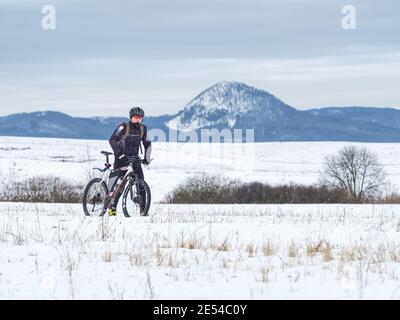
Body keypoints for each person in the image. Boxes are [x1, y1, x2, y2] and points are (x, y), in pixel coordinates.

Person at [108, 106, 152, 216]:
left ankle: (143, 210)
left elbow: (148, 144)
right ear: (131, 117)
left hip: (135, 160)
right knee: (118, 186)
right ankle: (112, 208)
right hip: (121, 159)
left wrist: (147, 158)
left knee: (141, 184)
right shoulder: (123, 127)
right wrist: (119, 154)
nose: (138, 119)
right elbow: (112, 140)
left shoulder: (143, 129)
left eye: (140, 118)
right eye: (136, 117)